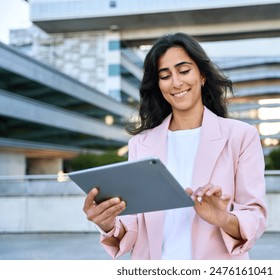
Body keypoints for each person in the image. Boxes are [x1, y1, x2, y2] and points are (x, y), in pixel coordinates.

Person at [83, 32, 267, 260]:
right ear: (158, 84)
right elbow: (133, 223)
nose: (176, 82)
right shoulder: (141, 144)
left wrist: (223, 218)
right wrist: (108, 222)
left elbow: (254, 215)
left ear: (201, 75)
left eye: (184, 70)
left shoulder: (241, 136)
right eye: (165, 75)